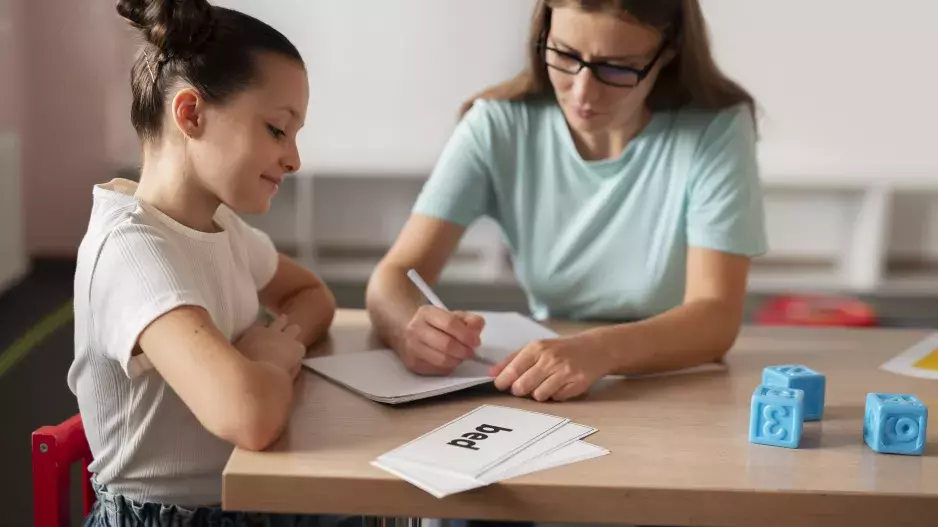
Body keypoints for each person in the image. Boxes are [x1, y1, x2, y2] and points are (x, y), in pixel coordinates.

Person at [366, 0, 768, 404]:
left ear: (669, 53)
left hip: (675, 388)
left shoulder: (717, 129)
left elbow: (716, 317)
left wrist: (600, 351)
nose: (583, 92)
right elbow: (394, 276)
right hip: (553, 388)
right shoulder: (497, 125)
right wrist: (409, 330)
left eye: (616, 67)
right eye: (564, 54)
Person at [67, 1, 345, 525]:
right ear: (190, 113)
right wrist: (270, 362)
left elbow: (313, 297)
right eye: (277, 130)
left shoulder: (223, 229)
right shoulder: (131, 249)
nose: (294, 158)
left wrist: (272, 349)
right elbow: (250, 417)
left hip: (242, 502)